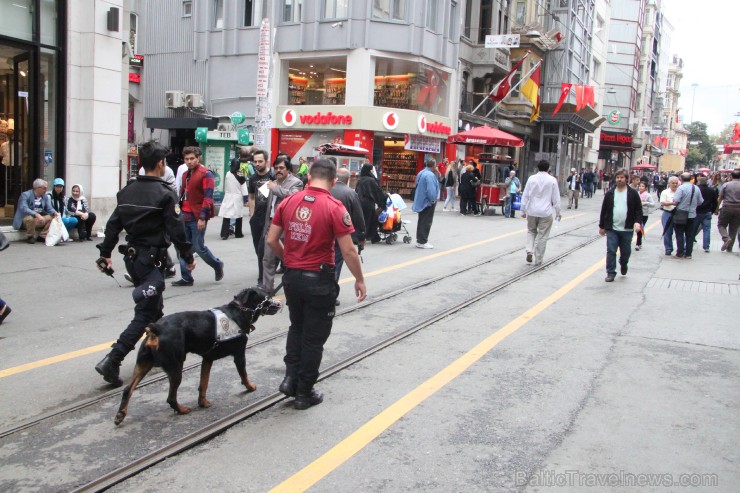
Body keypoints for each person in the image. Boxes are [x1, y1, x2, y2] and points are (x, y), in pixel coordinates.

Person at [267, 158, 366, 410]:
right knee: (314, 337)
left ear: (309, 177)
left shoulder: (289, 201)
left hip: (292, 278)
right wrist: (359, 279)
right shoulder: (334, 207)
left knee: (296, 328)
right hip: (319, 280)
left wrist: (288, 259)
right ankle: (304, 391)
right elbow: (349, 251)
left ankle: (290, 379)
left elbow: (271, 240)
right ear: (333, 181)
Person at [94, 141, 195, 387]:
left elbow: (113, 224)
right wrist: (188, 256)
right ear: (160, 164)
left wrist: (105, 253)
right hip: (150, 260)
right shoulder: (165, 194)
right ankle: (113, 359)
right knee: (146, 313)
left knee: (155, 308)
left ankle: (155, 353)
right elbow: (177, 229)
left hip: (133, 260)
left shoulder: (127, 191)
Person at [172, 146, 224, 287]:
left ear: (198, 158)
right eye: (187, 159)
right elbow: (182, 195)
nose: (189, 161)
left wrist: (202, 218)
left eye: (192, 159)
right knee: (183, 247)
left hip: (197, 216)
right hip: (184, 215)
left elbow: (208, 198)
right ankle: (187, 277)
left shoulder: (206, 174)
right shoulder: (185, 174)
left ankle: (217, 265)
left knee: (199, 247)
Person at [261, 156, 303, 293]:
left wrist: (275, 188)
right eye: (276, 168)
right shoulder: (272, 182)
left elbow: (294, 197)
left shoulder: (296, 182)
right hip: (272, 224)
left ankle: (293, 287)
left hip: (287, 226)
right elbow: (266, 204)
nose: (278, 171)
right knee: (268, 258)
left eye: (281, 168)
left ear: (288, 169)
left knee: (289, 259)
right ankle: (267, 288)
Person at [599, 169, 643, 282]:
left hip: (627, 228)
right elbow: (604, 210)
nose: (619, 179)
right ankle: (610, 272)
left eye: (622, 177)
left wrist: (637, 222)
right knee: (611, 250)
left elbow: (638, 209)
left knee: (626, 252)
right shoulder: (610, 193)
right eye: (618, 177)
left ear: (626, 179)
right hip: (612, 228)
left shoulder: (632, 193)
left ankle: (624, 264)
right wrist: (602, 226)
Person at [330, 167, 366, 298]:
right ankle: (331, 294)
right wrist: (361, 237)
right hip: (341, 235)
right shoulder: (350, 193)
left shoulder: (326, 190)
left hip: (323, 233)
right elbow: (358, 218)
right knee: (336, 264)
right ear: (348, 179)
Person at [521, 160, 561, 266]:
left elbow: (525, 195)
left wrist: (522, 210)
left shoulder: (531, 179)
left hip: (532, 210)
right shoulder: (552, 180)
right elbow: (556, 198)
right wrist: (558, 212)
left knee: (531, 231)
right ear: (548, 169)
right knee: (542, 236)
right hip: (545, 212)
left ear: (537, 168)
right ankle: (538, 259)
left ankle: (529, 250)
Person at [248, 149, 273, 286]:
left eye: (260, 161)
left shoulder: (273, 175)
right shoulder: (252, 179)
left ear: (266, 161)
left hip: (270, 218)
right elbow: (251, 197)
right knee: (259, 250)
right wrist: (251, 215)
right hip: (256, 219)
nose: (257, 164)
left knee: (264, 250)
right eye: (255, 161)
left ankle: (262, 279)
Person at [13, 179, 59, 244]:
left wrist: (55, 213)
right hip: (25, 220)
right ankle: (30, 236)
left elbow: (49, 208)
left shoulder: (45, 196)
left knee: (52, 217)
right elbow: (24, 208)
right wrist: (36, 214)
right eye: (44, 188)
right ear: (37, 188)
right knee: (30, 218)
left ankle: (42, 236)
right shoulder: (25, 195)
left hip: (39, 219)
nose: (46, 190)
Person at [671, 172, 703, 259]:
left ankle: (680, 252)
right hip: (692, 215)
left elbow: (676, 200)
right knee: (690, 235)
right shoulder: (696, 188)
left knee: (679, 234)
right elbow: (700, 201)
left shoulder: (681, 188)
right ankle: (688, 253)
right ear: (691, 178)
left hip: (681, 214)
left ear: (681, 179)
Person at [355, 163, 387, 244]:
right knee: (371, 220)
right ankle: (367, 237)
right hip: (368, 203)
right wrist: (383, 199)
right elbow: (376, 192)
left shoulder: (361, 179)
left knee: (367, 220)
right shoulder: (370, 180)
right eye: (372, 169)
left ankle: (374, 237)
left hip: (360, 203)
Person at [412, 158, 440, 249]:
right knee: (426, 221)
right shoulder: (430, 175)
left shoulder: (421, 172)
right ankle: (422, 241)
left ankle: (419, 239)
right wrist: (433, 200)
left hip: (420, 200)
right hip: (427, 202)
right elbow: (431, 190)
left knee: (421, 220)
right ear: (434, 165)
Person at [218, 159, 248, 240]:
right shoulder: (240, 174)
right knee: (239, 215)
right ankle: (238, 233)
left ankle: (224, 234)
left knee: (226, 215)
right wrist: (246, 199)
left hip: (228, 195)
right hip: (237, 196)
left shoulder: (228, 174)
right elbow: (244, 188)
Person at [694, 175, 718, 253]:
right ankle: (706, 246)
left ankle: (688, 243)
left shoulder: (697, 189)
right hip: (707, 212)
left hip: (697, 212)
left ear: (699, 182)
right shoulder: (711, 190)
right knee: (707, 230)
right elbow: (715, 202)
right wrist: (712, 211)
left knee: (693, 229)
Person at [717, 169, 740, 252]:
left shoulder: (726, 185)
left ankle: (726, 238)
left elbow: (720, 198)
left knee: (721, 225)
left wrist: (716, 208)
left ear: (731, 176)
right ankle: (729, 248)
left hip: (727, 207)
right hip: (738, 209)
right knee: (733, 228)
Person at [659, 176, 679, 256]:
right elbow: (663, 202)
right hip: (668, 213)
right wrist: (672, 203)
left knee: (679, 232)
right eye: (673, 183)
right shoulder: (665, 192)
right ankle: (668, 248)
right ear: (669, 184)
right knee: (667, 232)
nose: (674, 185)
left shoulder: (680, 192)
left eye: (676, 183)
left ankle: (680, 249)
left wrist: (669, 202)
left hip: (678, 213)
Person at [635, 182, 654, 251]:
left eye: (642, 186)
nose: (641, 187)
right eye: (640, 186)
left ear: (645, 188)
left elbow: (653, 204)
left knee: (640, 228)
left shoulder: (648, 195)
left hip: (644, 214)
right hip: (636, 214)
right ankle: (638, 243)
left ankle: (638, 243)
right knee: (637, 228)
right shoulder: (636, 194)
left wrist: (645, 203)